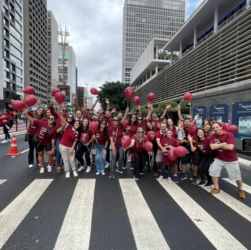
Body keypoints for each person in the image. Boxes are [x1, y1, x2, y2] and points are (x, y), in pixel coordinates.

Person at [209, 123, 245, 199]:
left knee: (237, 177)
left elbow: (230, 147)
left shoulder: (229, 134)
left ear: (221, 127)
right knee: (213, 173)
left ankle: (240, 190)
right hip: (219, 158)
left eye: (217, 127)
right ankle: (216, 188)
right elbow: (212, 147)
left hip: (231, 159)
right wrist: (223, 144)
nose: (215, 129)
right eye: (214, 128)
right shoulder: (212, 136)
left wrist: (217, 145)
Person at [23, 109, 58, 174]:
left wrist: (53, 148)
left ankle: (49, 165)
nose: (50, 119)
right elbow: (32, 120)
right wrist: (26, 114)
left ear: (54, 120)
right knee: (40, 154)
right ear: (47, 118)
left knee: (50, 153)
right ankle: (41, 167)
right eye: (49, 118)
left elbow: (53, 139)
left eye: (52, 119)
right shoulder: (41, 122)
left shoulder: (54, 128)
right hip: (39, 142)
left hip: (47, 142)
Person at [109, 111, 128, 179]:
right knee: (113, 158)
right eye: (114, 120)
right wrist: (113, 148)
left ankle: (119, 168)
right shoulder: (110, 128)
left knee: (121, 158)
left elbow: (123, 120)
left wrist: (126, 112)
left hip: (120, 145)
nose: (116, 121)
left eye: (117, 120)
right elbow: (111, 139)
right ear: (112, 121)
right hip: (114, 145)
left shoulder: (120, 125)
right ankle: (111, 173)